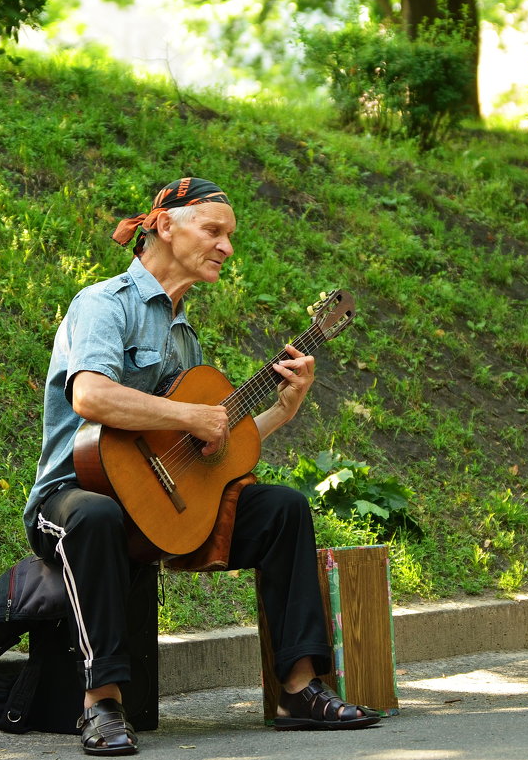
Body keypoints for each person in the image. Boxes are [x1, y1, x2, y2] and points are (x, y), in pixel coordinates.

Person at [24, 178, 380, 756]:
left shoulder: (184, 336)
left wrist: (277, 414)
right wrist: (191, 413)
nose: (226, 247)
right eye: (213, 231)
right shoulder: (102, 304)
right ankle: (103, 704)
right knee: (93, 517)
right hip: (71, 498)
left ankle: (299, 688)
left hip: (160, 508)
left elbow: (207, 454)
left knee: (282, 508)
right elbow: (90, 396)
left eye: (229, 236)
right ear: (166, 226)